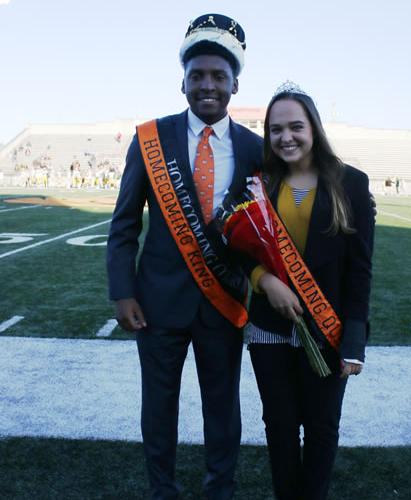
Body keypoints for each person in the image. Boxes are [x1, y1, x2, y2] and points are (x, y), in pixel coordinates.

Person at [106, 14, 263, 500]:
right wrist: (122, 291)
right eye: (197, 75)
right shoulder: (151, 138)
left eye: (218, 76)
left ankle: (221, 489)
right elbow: (125, 223)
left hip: (224, 302)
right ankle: (163, 490)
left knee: (223, 408)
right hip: (156, 304)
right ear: (183, 82)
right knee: (159, 407)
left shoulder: (257, 149)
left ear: (235, 83)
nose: (207, 85)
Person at [245, 82, 374, 500]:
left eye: (295, 127)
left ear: (314, 128)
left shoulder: (351, 182)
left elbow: (360, 269)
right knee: (279, 428)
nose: (286, 137)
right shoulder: (257, 182)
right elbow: (233, 246)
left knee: (321, 429)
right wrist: (264, 281)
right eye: (276, 129)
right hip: (268, 327)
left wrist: (353, 342)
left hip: (328, 329)